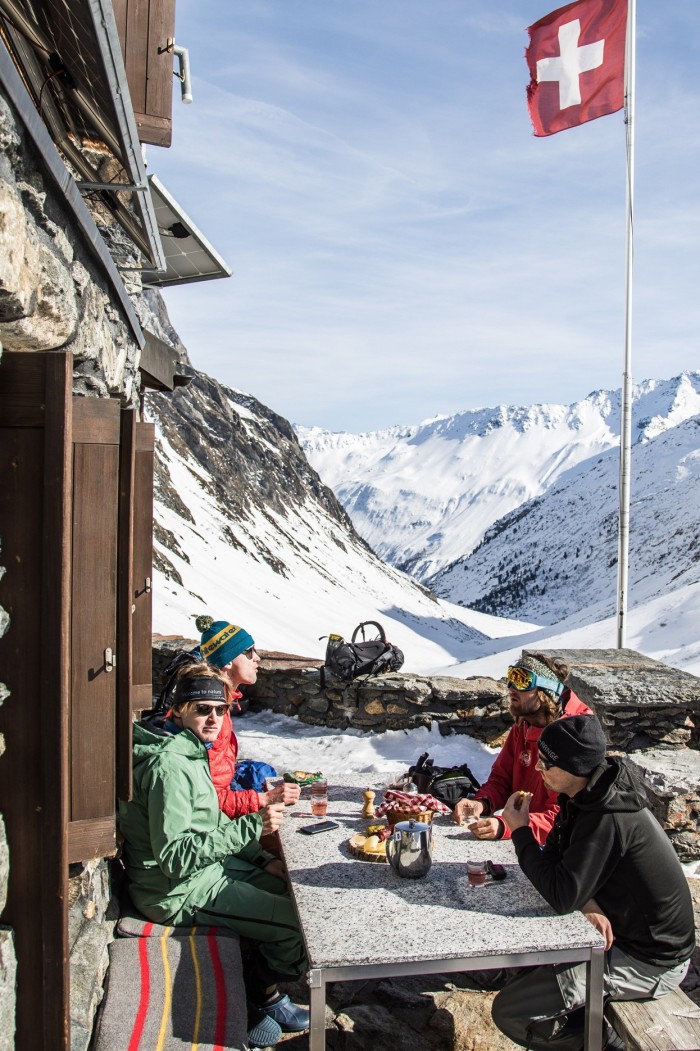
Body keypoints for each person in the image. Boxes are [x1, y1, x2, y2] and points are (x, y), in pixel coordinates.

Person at [119, 662, 310, 1045]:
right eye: (202, 709)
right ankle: (259, 993)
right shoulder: (170, 767)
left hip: (206, 872)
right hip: (175, 892)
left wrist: (261, 859)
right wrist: (253, 825)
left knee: (297, 900)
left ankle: (255, 983)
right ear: (178, 710)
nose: (213, 719)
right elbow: (174, 859)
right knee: (298, 927)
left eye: (220, 710)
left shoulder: (189, 749)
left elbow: (205, 826)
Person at [492, 713, 695, 1051]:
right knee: (524, 971)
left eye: (546, 762)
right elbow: (559, 867)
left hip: (651, 960)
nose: (538, 768)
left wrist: (521, 831)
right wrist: (586, 901)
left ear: (573, 767)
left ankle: (607, 1045)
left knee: (511, 1011)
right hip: (626, 937)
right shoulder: (586, 794)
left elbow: (559, 894)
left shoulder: (607, 816)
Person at [453, 654, 591, 844]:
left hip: (563, 847)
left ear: (545, 692)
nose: (510, 687)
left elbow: (564, 817)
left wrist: (507, 826)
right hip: (528, 838)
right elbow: (502, 779)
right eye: (511, 678)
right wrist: (482, 803)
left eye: (521, 680)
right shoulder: (525, 724)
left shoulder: (573, 737)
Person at [197, 617, 301, 818]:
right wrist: (263, 799)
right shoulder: (210, 719)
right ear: (227, 660)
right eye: (249, 652)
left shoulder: (221, 702)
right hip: (215, 820)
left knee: (262, 772)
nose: (257, 658)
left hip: (226, 794)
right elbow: (208, 800)